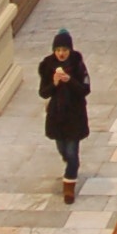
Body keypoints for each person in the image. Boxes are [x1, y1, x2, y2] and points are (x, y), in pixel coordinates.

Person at [40, 27, 91, 201]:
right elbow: (43, 92)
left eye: (64, 50)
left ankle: (69, 186)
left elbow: (85, 89)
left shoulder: (77, 65)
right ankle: (70, 163)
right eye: (58, 50)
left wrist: (70, 81)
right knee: (63, 149)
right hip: (57, 116)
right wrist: (54, 84)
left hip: (74, 115)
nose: (61, 53)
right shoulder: (48, 67)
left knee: (72, 152)